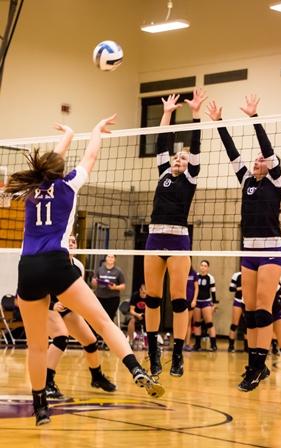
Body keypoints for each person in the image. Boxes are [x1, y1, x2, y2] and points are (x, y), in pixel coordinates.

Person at [5, 118, 164, 426]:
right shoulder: (68, 185)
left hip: (29, 269)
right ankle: (135, 369)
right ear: (60, 171)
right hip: (57, 263)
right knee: (103, 323)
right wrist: (94, 133)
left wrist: (67, 136)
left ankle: (40, 409)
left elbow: (48, 165)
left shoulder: (31, 191)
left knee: (38, 346)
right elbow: (90, 156)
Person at [207, 94, 281, 392]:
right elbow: (232, 153)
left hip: (271, 251)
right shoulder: (246, 181)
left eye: (261, 160)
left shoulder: (275, 181)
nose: (256, 161)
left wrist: (254, 118)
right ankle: (258, 365)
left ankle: (255, 367)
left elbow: (267, 148)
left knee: (264, 309)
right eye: (255, 160)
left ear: (269, 166)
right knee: (252, 311)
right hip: (249, 250)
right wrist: (219, 123)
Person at [144, 88, 207, 377]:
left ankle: (178, 353)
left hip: (179, 238)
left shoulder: (190, 177)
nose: (178, 161)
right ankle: (154, 354)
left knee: (179, 299)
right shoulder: (163, 173)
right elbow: (161, 142)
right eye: (175, 158)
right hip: (155, 237)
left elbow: (195, 148)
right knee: (154, 299)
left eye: (182, 158)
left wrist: (195, 115)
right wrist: (167, 113)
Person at [46, 234, 116, 400]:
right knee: (60, 337)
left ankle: (97, 377)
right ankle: (47, 383)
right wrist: (52, 305)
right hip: (46, 307)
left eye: (74, 241)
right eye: (68, 241)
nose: (71, 243)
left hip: (67, 309)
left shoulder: (78, 266)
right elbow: (38, 288)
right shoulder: (50, 263)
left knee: (90, 341)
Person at [91, 254, 125, 323]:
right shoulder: (99, 269)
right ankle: (98, 333)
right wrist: (94, 282)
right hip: (100, 297)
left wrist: (115, 287)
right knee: (99, 318)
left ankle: (108, 333)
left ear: (115, 259)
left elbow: (123, 286)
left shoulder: (118, 271)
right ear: (105, 258)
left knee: (109, 319)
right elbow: (93, 282)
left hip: (113, 298)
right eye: (108, 257)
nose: (110, 258)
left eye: (112, 257)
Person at [193, 260, 218, 351]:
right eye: (202, 265)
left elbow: (213, 291)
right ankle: (197, 344)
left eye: (205, 266)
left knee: (209, 324)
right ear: (200, 267)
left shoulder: (210, 278)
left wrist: (214, 304)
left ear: (208, 268)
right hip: (197, 302)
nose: (203, 267)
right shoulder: (196, 276)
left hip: (206, 302)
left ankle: (213, 345)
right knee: (197, 324)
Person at [228, 271, 247, 353]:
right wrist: (240, 288)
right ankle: (231, 346)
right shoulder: (237, 275)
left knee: (247, 325)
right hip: (238, 301)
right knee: (234, 324)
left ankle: (247, 347)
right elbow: (231, 288)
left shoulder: (255, 274)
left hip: (248, 302)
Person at [183, 265, 199, 351]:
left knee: (188, 323)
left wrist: (194, 300)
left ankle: (187, 344)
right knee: (181, 323)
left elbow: (196, 288)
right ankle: (179, 343)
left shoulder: (194, 273)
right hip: (182, 301)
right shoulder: (181, 271)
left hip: (190, 302)